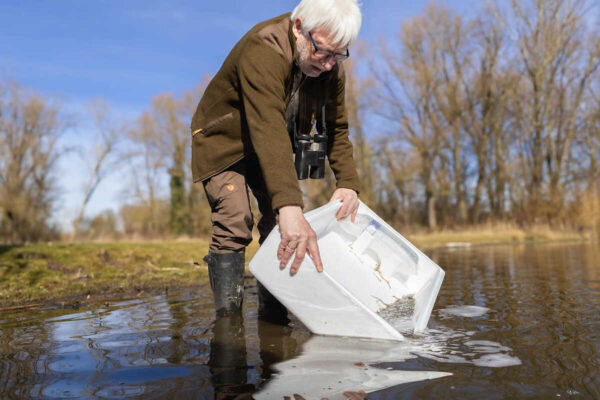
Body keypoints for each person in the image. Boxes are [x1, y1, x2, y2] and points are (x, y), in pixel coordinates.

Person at [191, 0, 362, 317]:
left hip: (273, 144)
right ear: (299, 27)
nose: (328, 64)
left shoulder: (330, 69)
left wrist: (349, 183)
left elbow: (336, 127)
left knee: (280, 226)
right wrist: (291, 205)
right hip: (224, 140)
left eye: (339, 55)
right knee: (235, 218)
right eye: (323, 51)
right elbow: (266, 123)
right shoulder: (264, 46)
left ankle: (276, 314)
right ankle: (227, 326)